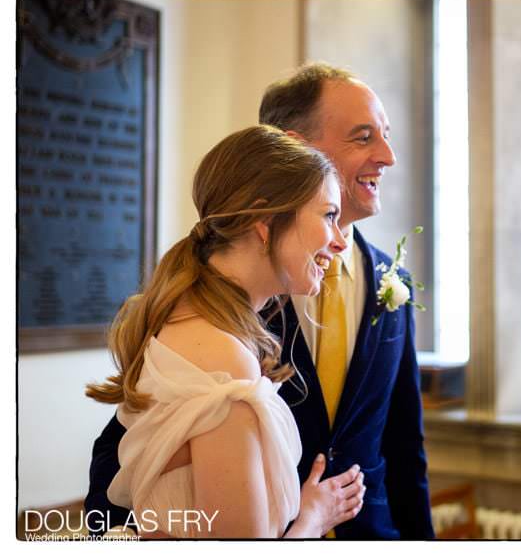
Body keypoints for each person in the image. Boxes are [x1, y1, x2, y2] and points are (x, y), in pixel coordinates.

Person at [86, 63, 435, 539]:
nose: (388, 156)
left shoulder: (391, 282)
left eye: (387, 135)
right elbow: (131, 445)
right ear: (296, 146)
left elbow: (403, 441)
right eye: (363, 136)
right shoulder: (225, 308)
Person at [85, 124, 366, 538]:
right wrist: (311, 519)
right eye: (328, 215)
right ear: (264, 221)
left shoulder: (191, 322)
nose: (340, 241)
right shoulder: (224, 360)